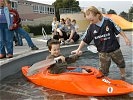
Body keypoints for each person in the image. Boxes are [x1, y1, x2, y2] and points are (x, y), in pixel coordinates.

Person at [71, 6, 131, 79]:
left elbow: (118, 29)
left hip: (115, 49)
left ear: (97, 15)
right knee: (103, 70)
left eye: (92, 20)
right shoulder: (91, 27)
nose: (91, 22)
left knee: (121, 63)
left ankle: (123, 76)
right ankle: (104, 81)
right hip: (103, 52)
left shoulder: (108, 21)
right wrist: (78, 49)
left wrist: (125, 38)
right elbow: (85, 39)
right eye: (89, 20)